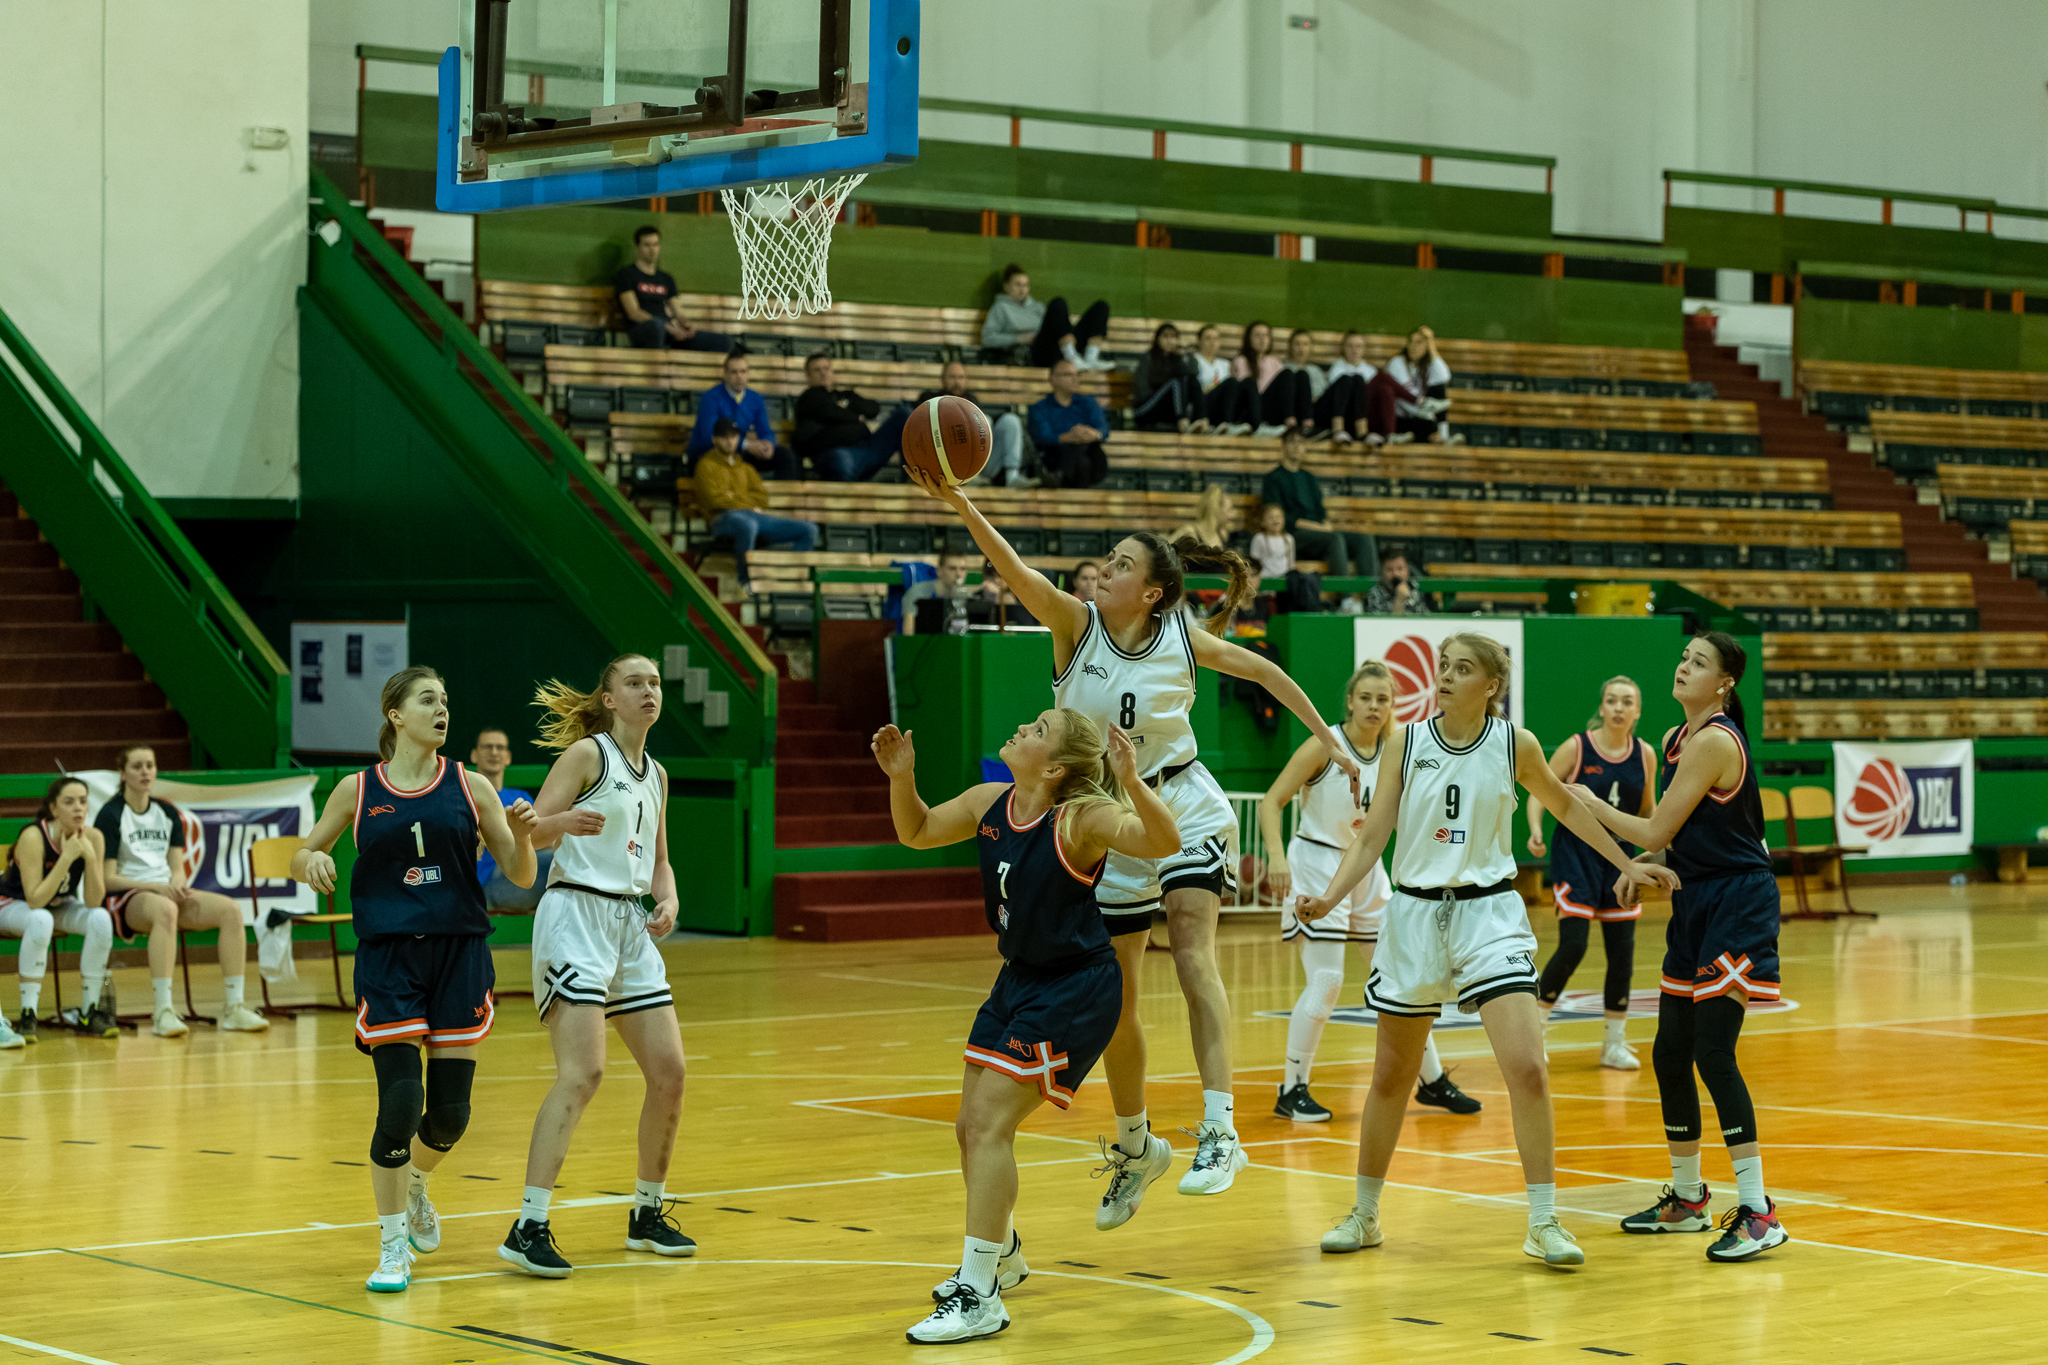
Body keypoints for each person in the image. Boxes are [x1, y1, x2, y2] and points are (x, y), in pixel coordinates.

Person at [906, 466, 1364, 1227]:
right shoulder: (1073, 624)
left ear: (1151, 592)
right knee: (1118, 993)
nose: (1104, 570)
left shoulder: (1184, 637)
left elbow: (1268, 672)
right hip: (1105, 818)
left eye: (1121, 564)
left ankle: (1220, 1129)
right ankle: (1135, 1144)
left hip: (1178, 799)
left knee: (1191, 948)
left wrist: (1331, 742)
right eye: (1108, 560)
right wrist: (962, 502)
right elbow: (1013, 569)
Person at [1297, 634, 1678, 1267]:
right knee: (1392, 1076)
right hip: (1415, 915)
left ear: (1492, 685)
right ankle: (1364, 1214)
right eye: (1443, 667)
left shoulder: (1515, 744)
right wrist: (1332, 896)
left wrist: (1627, 863)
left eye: (1462, 669)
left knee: (1528, 1067)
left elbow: (1567, 807)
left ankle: (1544, 1221)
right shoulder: (1405, 742)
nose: (1445, 677)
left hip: (1489, 914)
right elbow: (1372, 837)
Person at [874, 710, 1179, 1343]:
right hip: (1019, 978)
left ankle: (979, 1291)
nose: (1022, 728)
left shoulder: (1081, 818)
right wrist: (902, 778)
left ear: (1056, 767)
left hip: (1076, 986)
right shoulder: (990, 801)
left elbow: (1162, 842)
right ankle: (1004, 1254)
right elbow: (917, 831)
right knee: (969, 1128)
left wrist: (1131, 781)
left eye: (1038, 729)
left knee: (989, 1123)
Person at [290, 666, 539, 1293]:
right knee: (400, 1103)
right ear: (396, 714)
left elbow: (521, 873)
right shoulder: (357, 789)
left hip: (459, 954)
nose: (441, 708)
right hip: (390, 957)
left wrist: (524, 837)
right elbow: (301, 853)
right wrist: (312, 857)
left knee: (450, 1115)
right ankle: (392, 1245)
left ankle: (418, 1183)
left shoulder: (472, 785)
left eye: (445, 700)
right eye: (428, 699)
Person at [1571, 633, 1792, 1263]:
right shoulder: (1675, 739)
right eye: (1684, 657)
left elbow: (1655, 827)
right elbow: (1674, 835)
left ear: (1724, 683)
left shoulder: (1717, 740)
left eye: (1699, 662)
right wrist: (1636, 866)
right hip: (1696, 899)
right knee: (1670, 1052)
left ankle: (1758, 1211)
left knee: (1713, 1052)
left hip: (1738, 903)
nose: (1683, 666)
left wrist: (1593, 805)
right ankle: (1689, 1199)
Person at [501, 654, 695, 1278]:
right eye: (635, 683)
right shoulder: (588, 754)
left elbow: (659, 859)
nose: (649, 691)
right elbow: (530, 833)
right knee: (583, 1072)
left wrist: (667, 898)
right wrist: (559, 821)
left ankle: (647, 1212)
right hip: (575, 916)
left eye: (655, 683)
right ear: (609, 699)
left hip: (630, 926)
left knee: (670, 1072)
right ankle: (528, 1226)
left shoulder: (657, 773)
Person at [1259, 662, 1479, 1121]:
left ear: (1392, 705)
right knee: (1326, 980)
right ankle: (1292, 1088)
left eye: (1383, 699)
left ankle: (1432, 1081)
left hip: (1367, 866)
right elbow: (1270, 801)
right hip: (1318, 861)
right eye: (1366, 698)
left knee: (1404, 979)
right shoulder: (1325, 745)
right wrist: (1276, 859)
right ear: (1350, 702)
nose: (1374, 706)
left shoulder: (1396, 751)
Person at [1526, 677, 1656, 1070]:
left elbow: (1649, 811)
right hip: (1577, 855)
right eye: (1612, 700)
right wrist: (1535, 829)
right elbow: (1539, 791)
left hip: (1620, 858)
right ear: (1601, 707)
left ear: (1637, 711)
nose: (1618, 707)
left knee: (1622, 953)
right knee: (1574, 945)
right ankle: (1534, 1031)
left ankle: (1614, 1043)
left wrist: (1654, 852)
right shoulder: (1577, 747)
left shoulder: (1645, 754)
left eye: (1627, 702)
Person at [95, 745, 269, 1036]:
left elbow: (177, 868)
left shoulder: (166, 812)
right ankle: (163, 1011)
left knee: (230, 910)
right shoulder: (111, 814)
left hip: (164, 891)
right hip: (125, 897)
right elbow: (107, 879)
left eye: (150, 765)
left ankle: (235, 1007)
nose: (145, 772)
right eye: (137, 766)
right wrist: (155, 887)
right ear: (122, 773)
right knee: (165, 910)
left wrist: (177, 882)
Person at [0, 777, 115, 1043]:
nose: (78, 808)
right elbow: (35, 900)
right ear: (53, 808)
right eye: (69, 802)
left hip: (56, 904)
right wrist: (66, 857)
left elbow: (94, 901)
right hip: (11, 903)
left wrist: (89, 858)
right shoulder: (34, 836)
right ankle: (28, 1014)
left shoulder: (93, 837)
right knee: (40, 919)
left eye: (83, 801)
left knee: (101, 918)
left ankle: (89, 1012)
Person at [694, 417, 820, 586]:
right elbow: (714, 500)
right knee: (747, 524)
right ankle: (746, 581)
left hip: (753, 516)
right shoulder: (705, 465)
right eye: (724, 437)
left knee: (809, 529)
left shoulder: (746, 468)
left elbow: (762, 498)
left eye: (733, 436)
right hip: (721, 519)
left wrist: (733, 497)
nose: (730, 441)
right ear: (714, 439)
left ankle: (788, 580)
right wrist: (747, 504)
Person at [1261, 431, 1376, 577]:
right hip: (1293, 535)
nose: (1296, 446)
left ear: (1305, 448)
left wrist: (1325, 524)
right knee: (1334, 539)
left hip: (1318, 533)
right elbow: (1280, 518)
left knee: (1363, 540)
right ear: (1283, 446)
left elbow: (1320, 511)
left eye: (1300, 442)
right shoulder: (1273, 478)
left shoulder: (1309, 478)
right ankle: (1342, 590)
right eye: (1291, 441)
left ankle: (1372, 590)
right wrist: (1316, 527)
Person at [613, 225, 733, 353]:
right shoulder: (626, 274)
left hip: (669, 331)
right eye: (647, 245)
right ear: (637, 247)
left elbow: (677, 312)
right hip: (643, 330)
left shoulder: (666, 279)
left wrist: (685, 324)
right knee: (656, 327)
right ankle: (657, 364)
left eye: (655, 244)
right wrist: (665, 326)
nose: (652, 249)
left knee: (725, 342)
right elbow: (633, 312)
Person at [796, 352, 911, 482]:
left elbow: (873, 409)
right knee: (839, 460)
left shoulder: (845, 395)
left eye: (826, 368)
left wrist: (847, 405)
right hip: (836, 453)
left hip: (867, 450)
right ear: (808, 377)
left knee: (904, 415)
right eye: (817, 370)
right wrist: (855, 417)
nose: (823, 373)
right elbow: (829, 411)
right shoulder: (808, 398)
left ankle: (912, 477)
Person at [472, 729, 553, 913]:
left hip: (530, 868)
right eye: (487, 747)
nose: (494, 752)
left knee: (566, 856)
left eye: (500, 747)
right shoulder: (468, 797)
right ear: (474, 755)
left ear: (508, 757)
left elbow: (540, 839)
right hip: (492, 880)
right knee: (557, 862)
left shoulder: (520, 797)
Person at [918, 361, 1030, 489]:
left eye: (961, 377)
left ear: (966, 380)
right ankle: (970, 476)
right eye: (952, 377)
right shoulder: (930, 400)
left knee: (1010, 420)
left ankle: (1012, 477)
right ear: (942, 379)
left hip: (982, 464)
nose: (957, 382)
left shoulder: (972, 400)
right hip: (947, 463)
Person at [980, 264, 1113, 371]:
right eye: (1018, 285)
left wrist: (1067, 333)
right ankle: (1070, 356)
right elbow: (987, 338)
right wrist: (1018, 338)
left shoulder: (1037, 307)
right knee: (1057, 302)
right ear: (1006, 287)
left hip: (1059, 345)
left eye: (1025, 285)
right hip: (1036, 352)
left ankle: (1090, 358)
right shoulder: (1000, 308)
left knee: (1101, 307)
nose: (1022, 289)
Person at [686, 352, 797, 480]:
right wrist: (747, 445)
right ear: (725, 374)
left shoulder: (755, 398)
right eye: (734, 372)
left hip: (739, 451)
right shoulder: (711, 398)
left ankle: (782, 493)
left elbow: (765, 430)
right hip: (710, 452)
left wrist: (767, 444)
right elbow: (709, 436)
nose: (739, 376)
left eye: (743, 371)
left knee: (782, 455)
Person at [1026, 359, 1110, 490]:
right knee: (1082, 462)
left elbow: (1103, 428)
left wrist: (1093, 434)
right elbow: (1042, 437)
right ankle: (1065, 479)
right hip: (1055, 458)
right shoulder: (1040, 408)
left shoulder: (1088, 403)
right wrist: (1069, 437)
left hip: (1095, 462)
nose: (1075, 379)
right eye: (1068, 375)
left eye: (1077, 375)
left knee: (1086, 447)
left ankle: (1060, 475)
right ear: (1053, 379)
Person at [1367, 325, 1457, 445]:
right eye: (1411, 342)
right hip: (1397, 419)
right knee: (1427, 425)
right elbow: (1406, 397)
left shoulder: (1427, 367)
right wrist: (1426, 410)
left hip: (1417, 416)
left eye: (1419, 343)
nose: (1414, 347)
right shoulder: (1397, 362)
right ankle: (1431, 437)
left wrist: (1432, 347)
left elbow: (1444, 377)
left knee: (1438, 389)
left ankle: (1443, 436)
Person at [1232, 320, 1311, 438]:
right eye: (1257, 335)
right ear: (1249, 339)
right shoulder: (1241, 361)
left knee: (1301, 375)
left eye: (1265, 335)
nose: (1262, 339)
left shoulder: (1274, 361)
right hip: (1254, 409)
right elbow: (1246, 392)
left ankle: (1307, 425)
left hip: (1273, 409)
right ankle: (1290, 423)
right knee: (1287, 373)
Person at [1130, 323, 1204, 432]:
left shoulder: (1177, 359)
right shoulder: (1147, 358)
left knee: (1191, 379)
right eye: (1165, 337)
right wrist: (1164, 391)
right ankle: (1183, 422)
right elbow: (1142, 391)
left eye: (1173, 337)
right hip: (1145, 409)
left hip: (1167, 411)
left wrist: (1186, 354)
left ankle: (1203, 422)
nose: (1170, 341)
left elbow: (1193, 375)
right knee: (1175, 382)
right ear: (1157, 339)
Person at [1319, 331, 1379, 445]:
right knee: (1347, 379)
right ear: (1343, 348)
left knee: (1358, 379)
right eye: (1350, 346)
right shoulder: (1336, 369)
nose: (1354, 350)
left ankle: (1363, 433)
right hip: (1340, 414)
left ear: (1364, 349)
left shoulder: (1371, 371)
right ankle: (1338, 429)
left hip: (1363, 415)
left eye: (1358, 346)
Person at [1191, 324, 1251, 434]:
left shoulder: (1225, 364)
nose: (1212, 342)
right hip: (1203, 405)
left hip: (1221, 405)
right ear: (1199, 341)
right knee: (1231, 382)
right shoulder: (1194, 360)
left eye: (1216, 339)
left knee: (1242, 383)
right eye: (1208, 338)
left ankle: (1231, 424)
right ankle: (1226, 423)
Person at [901, 558, 972, 635]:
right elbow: (908, 635)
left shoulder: (966, 596)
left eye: (962, 569)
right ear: (939, 571)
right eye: (952, 568)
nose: (958, 574)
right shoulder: (918, 594)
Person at [975, 560, 1040, 628]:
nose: (996, 579)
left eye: (1000, 575)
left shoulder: (1020, 599)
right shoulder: (983, 590)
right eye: (991, 574)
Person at [1168, 484, 1235, 549]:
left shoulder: (1222, 535)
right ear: (1217, 509)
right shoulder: (1189, 531)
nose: (1233, 514)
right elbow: (1164, 551)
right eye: (1229, 510)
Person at [1363, 552, 1431, 615]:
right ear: (1382, 572)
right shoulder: (1376, 593)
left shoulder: (1415, 589)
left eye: (1400, 569)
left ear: (1407, 570)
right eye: (1389, 570)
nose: (1395, 574)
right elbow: (1380, 622)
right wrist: (1399, 600)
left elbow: (1425, 618)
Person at [1248, 503, 1294, 581]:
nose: (1275, 521)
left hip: (1284, 579)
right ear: (1263, 522)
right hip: (1265, 578)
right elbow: (1254, 562)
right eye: (1271, 518)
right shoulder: (1259, 538)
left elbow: (1290, 562)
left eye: (1279, 517)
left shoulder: (1289, 539)